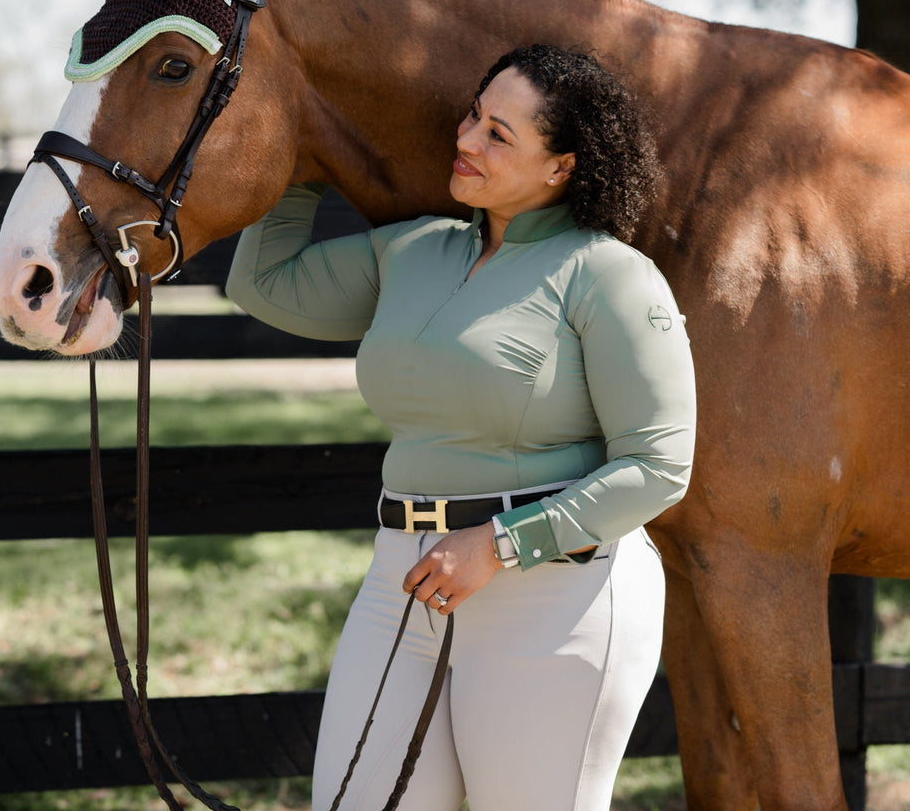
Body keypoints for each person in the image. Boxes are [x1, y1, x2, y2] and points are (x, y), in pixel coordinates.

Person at [226, 43, 697, 811]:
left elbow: (658, 466)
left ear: (562, 168)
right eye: (474, 115)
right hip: (400, 585)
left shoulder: (608, 275)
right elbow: (261, 282)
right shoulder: (412, 250)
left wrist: (504, 544)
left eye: (500, 135)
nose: (468, 140)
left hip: (556, 599)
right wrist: (303, 154)